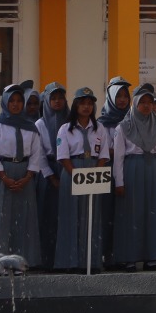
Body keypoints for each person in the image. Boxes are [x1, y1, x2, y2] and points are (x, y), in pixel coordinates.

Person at [0, 84, 49, 266]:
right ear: (5, 102)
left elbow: (36, 154)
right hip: (2, 174)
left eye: (19, 100)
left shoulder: (30, 127)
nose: (16, 104)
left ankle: (23, 261)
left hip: (24, 175)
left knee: (23, 217)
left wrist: (27, 177)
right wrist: (4, 177)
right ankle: (0, 260)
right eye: (11, 100)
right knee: (3, 217)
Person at [111, 84, 156, 271]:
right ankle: (130, 258)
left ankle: (152, 257)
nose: (147, 106)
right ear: (135, 104)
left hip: (154, 171)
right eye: (142, 102)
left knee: (153, 213)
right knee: (132, 214)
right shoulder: (124, 127)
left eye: (150, 102)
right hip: (132, 170)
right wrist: (119, 182)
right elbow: (118, 158)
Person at [53, 87, 110, 271]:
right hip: (73, 171)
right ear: (76, 105)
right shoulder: (65, 129)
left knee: (91, 215)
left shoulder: (99, 128)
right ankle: (70, 261)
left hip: (93, 171)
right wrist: (78, 176)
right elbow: (63, 156)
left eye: (90, 103)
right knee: (71, 215)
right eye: (83, 103)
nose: (86, 107)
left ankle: (91, 261)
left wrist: (94, 176)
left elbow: (103, 154)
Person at [33, 82, 68, 266]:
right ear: (46, 100)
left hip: (68, 169)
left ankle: (66, 258)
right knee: (48, 216)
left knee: (67, 215)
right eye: (53, 98)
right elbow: (38, 154)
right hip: (48, 172)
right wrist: (51, 176)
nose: (57, 101)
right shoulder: (40, 124)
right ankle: (48, 259)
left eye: (60, 98)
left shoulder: (70, 121)